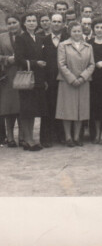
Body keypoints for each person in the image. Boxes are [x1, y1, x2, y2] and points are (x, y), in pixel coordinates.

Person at [56, 21, 95, 147]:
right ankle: (68, 137)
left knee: (80, 110)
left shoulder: (88, 46)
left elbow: (92, 64)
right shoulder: (63, 45)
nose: (77, 33)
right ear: (69, 32)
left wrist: (83, 77)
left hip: (83, 82)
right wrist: (72, 79)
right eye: (74, 31)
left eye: (79, 31)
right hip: (67, 82)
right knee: (68, 110)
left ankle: (77, 136)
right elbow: (61, 64)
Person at [14, 13, 48, 151]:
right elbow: (18, 59)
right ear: (24, 23)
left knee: (33, 110)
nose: (32, 23)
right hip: (27, 78)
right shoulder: (21, 38)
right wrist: (35, 63)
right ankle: (27, 139)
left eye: (34, 20)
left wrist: (44, 79)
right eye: (29, 21)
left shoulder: (39, 38)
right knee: (27, 109)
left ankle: (31, 138)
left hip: (38, 78)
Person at [41, 13, 68, 147]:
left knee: (62, 106)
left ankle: (62, 135)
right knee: (48, 107)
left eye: (59, 21)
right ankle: (47, 137)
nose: (56, 24)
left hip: (64, 79)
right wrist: (43, 80)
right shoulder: (43, 40)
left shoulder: (68, 39)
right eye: (54, 21)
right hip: (48, 80)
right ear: (50, 23)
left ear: (63, 24)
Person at [0, 14, 22, 147]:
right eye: (9, 23)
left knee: (22, 105)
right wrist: (6, 59)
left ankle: (23, 136)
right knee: (9, 107)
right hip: (8, 75)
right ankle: (10, 137)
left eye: (14, 22)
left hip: (23, 73)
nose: (12, 25)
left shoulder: (25, 36)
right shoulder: (1, 38)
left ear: (19, 23)